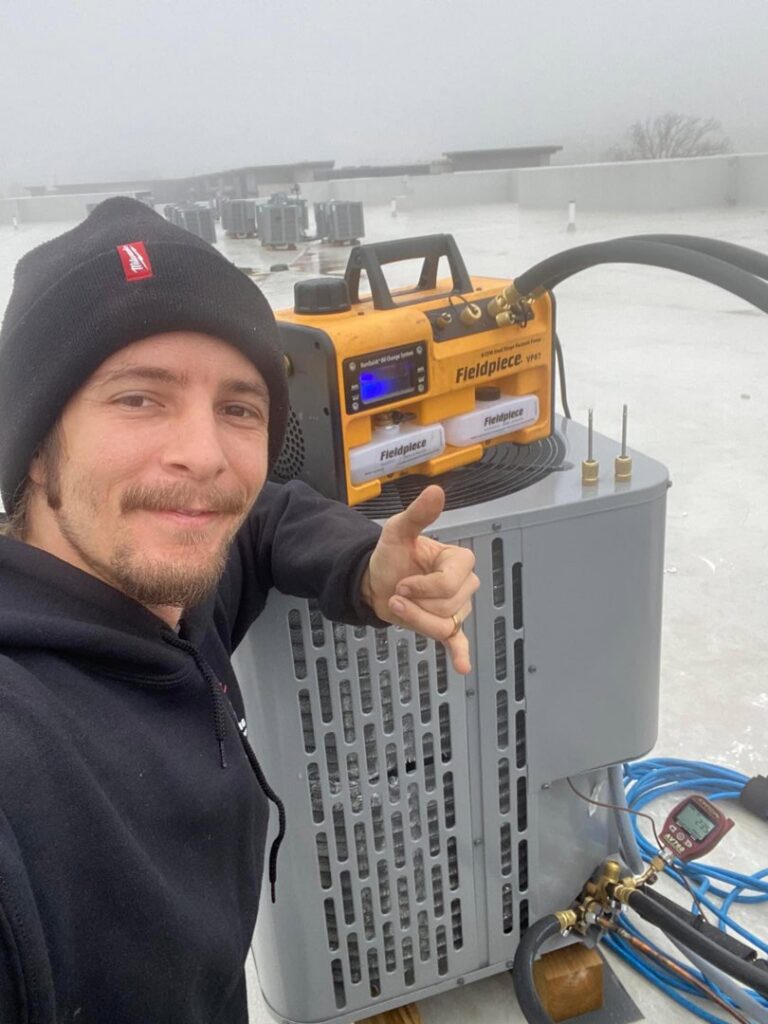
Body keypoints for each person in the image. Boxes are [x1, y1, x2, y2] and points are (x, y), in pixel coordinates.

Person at [0, 198, 478, 1023]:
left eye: (238, 409)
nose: (206, 456)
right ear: (34, 443)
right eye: (139, 399)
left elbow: (263, 520)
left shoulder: (161, 590)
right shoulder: (25, 743)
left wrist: (365, 567)